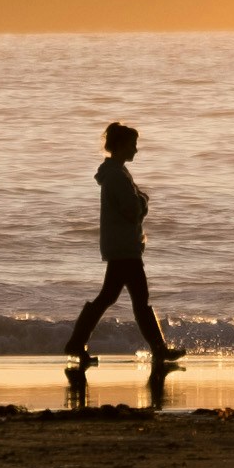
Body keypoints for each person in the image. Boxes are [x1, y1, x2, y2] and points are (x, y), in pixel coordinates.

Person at [64, 121, 185, 368]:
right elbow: (133, 209)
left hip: (121, 247)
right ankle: (159, 350)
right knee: (137, 300)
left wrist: (139, 201)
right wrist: (143, 201)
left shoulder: (116, 173)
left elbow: (132, 205)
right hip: (124, 250)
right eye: (133, 145)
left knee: (110, 298)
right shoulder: (117, 176)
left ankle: (77, 343)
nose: (136, 150)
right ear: (120, 146)